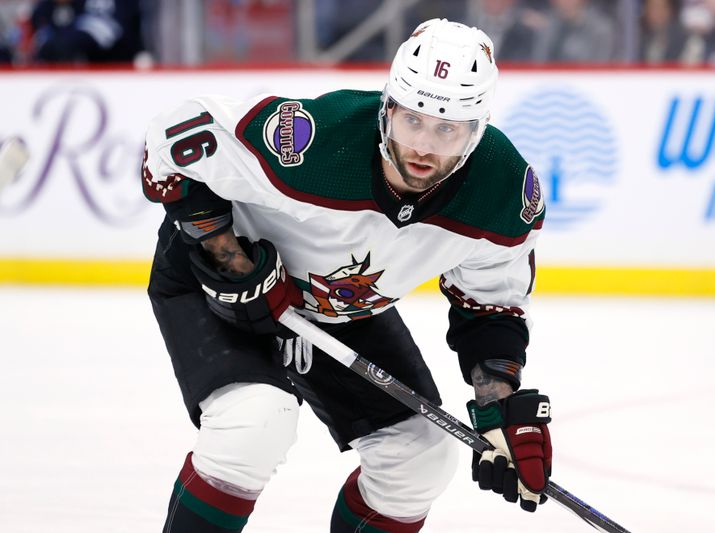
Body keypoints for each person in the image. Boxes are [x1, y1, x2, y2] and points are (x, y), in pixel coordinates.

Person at [143, 18, 551, 533]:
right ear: (387, 109)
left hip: (341, 307)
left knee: (420, 457)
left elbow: (492, 305)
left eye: (447, 129)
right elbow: (172, 140)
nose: (423, 147)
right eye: (413, 121)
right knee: (253, 424)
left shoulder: (503, 194)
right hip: (216, 289)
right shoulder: (311, 142)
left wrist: (499, 410)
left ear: (477, 130)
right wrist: (231, 261)